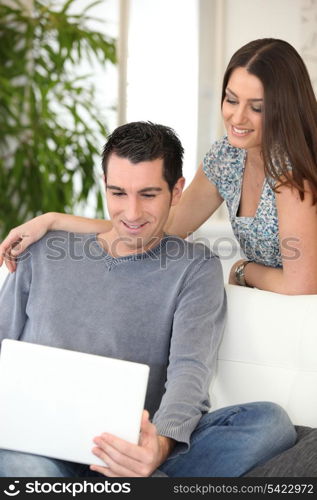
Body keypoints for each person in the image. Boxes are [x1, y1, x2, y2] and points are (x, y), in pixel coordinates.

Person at [0, 121, 296, 478]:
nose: (132, 213)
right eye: (118, 193)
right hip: (37, 447)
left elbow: (190, 372)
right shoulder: (43, 251)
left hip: (132, 453)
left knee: (268, 422)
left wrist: (159, 445)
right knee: (22, 468)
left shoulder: (194, 267)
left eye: (149, 194)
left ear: (177, 191)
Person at [2, 38, 317, 295]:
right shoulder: (228, 157)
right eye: (231, 100)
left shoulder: (292, 173)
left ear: (284, 109)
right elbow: (161, 228)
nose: (237, 118)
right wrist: (53, 221)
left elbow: (302, 286)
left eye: (257, 108)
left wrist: (242, 270)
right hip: (273, 309)